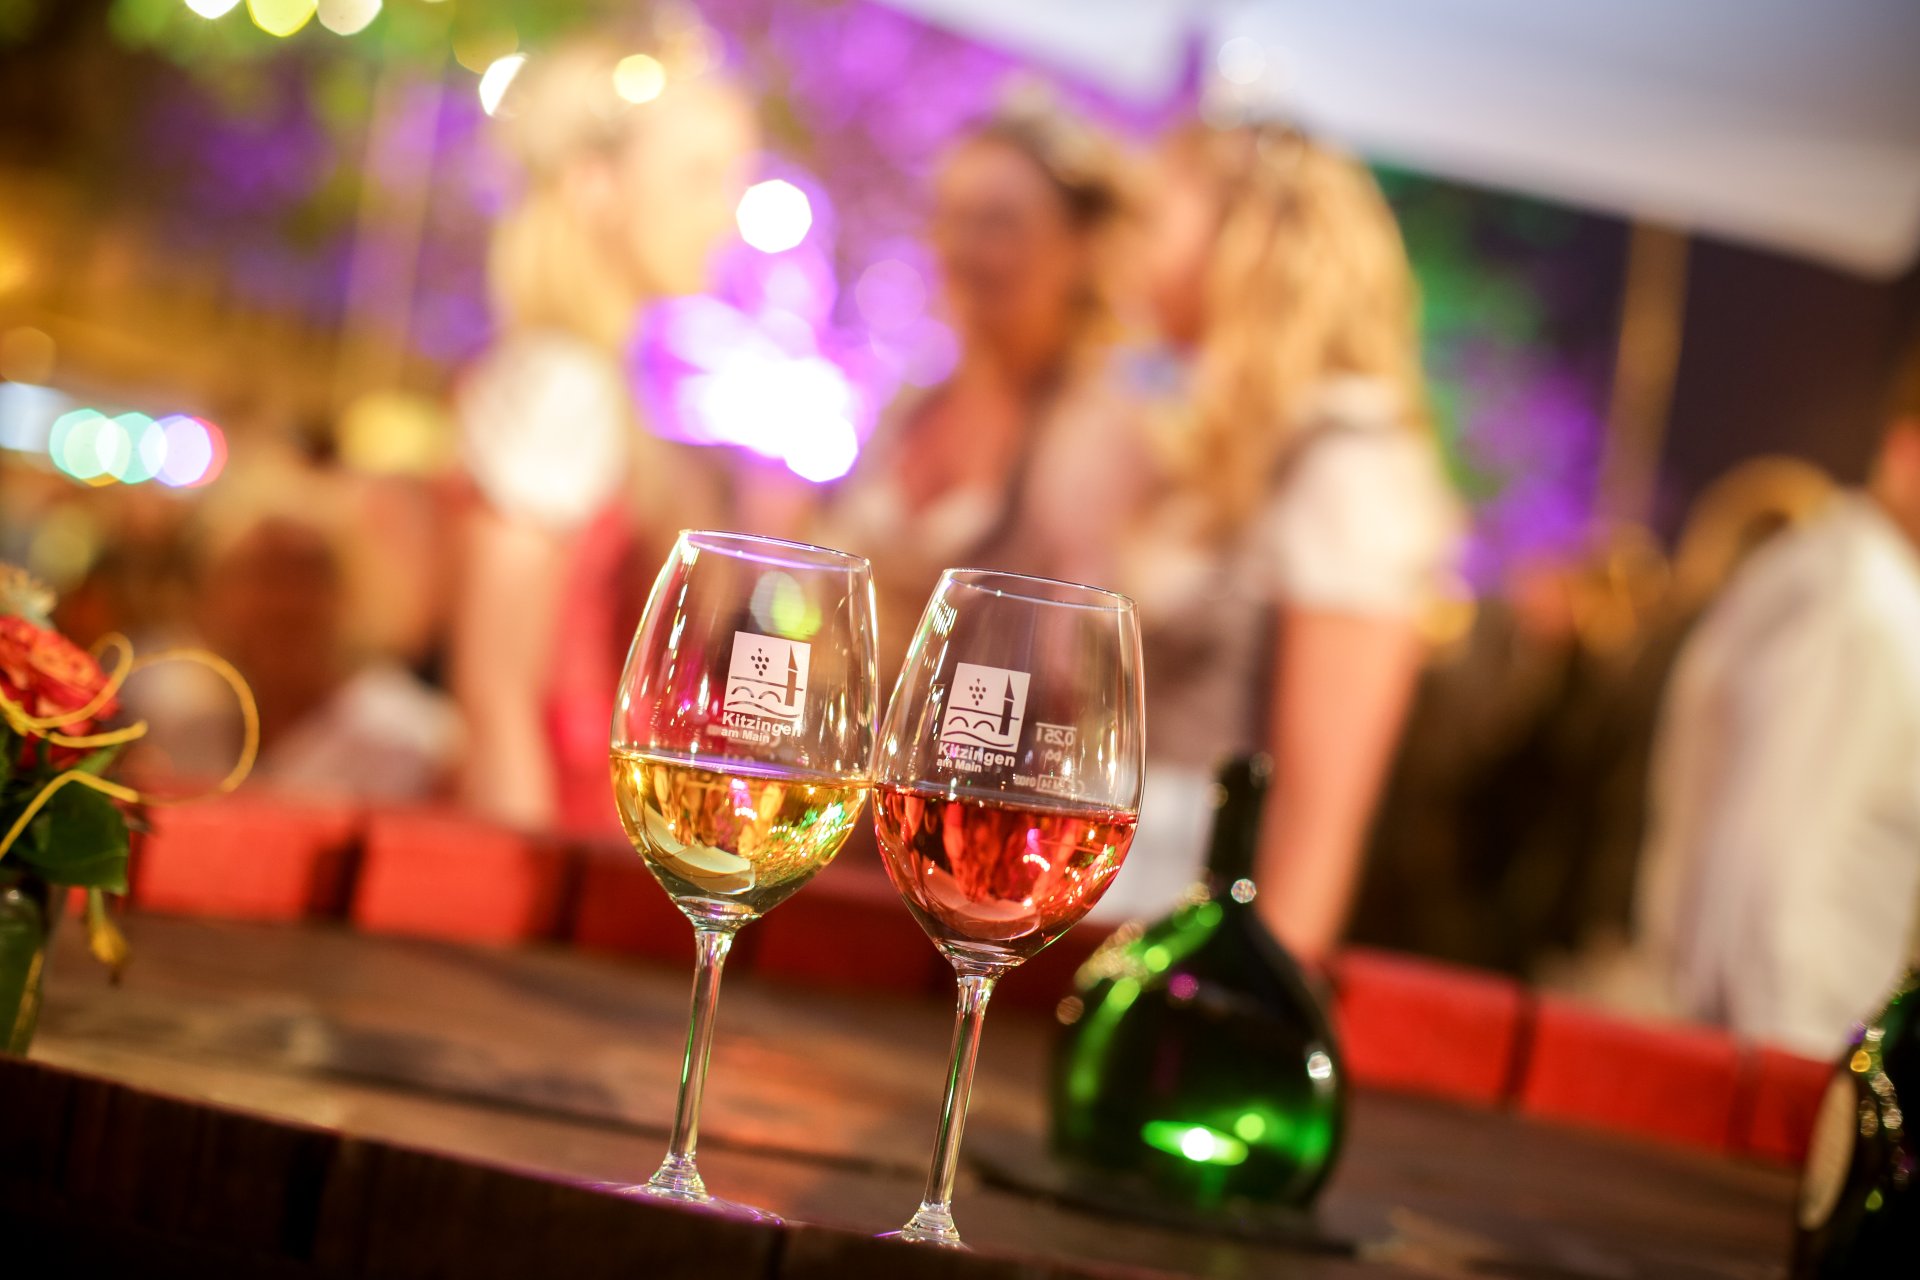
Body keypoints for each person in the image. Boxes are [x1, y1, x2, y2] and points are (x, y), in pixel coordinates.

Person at [1037, 124, 1460, 958]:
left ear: (1247, 239)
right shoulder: (1208, 440)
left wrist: (1245, 994)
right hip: (1093, 910)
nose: (1127, 246)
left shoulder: (1350, 463)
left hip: (1186, 934)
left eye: (1156, 218)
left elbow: (1317, 822)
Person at [450, 35, 755, 832]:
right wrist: (523, 883)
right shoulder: (564, 385)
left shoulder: (590, 375)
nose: (725, 215)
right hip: (554, 825)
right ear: (595, 187)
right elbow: (496, 695)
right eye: (699, 178)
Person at [1632, 341, 1920, 1056]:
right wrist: (1788, 1089)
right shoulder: (1861, 610)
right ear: (1909, 451)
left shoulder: (1844, 581)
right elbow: (1766, 887)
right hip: (1788, 1053)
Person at [821, 102, 1129, 673]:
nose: (961, 249)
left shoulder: (1094, 433)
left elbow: (1078, 668)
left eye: (998, 223)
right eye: (950, 218)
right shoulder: (911, 404)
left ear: (1078, 246)